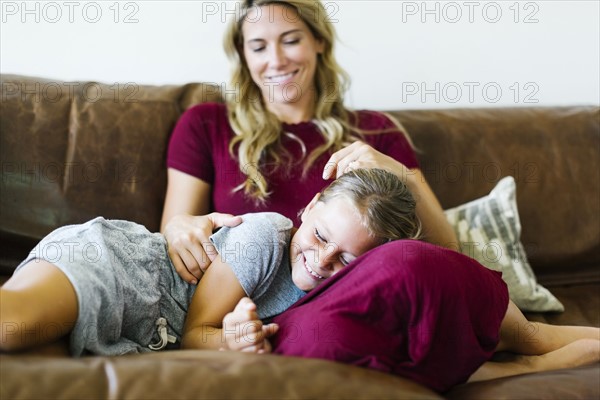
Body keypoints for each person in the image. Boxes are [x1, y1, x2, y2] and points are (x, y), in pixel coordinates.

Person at [161, 0, 459, 286]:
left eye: (290, 40)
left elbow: (449, 251)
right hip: (238, 305)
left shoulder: (376, 132)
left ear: (319, 41)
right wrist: (178, 228)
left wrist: (403, 176)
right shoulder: (206, 124)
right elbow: (174, 233)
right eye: (258, 47)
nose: (276, 60)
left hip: (343, 299)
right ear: (243, 55)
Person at [0, 168, 422, 356]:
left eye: (347, 258)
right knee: (10, 329)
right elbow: (194, 332)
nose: (321, 259)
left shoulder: (344, 300)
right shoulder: (266, 237)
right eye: (321, 236)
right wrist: (230, 342)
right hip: (120, 269)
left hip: (135, 331)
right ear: (310, 208)